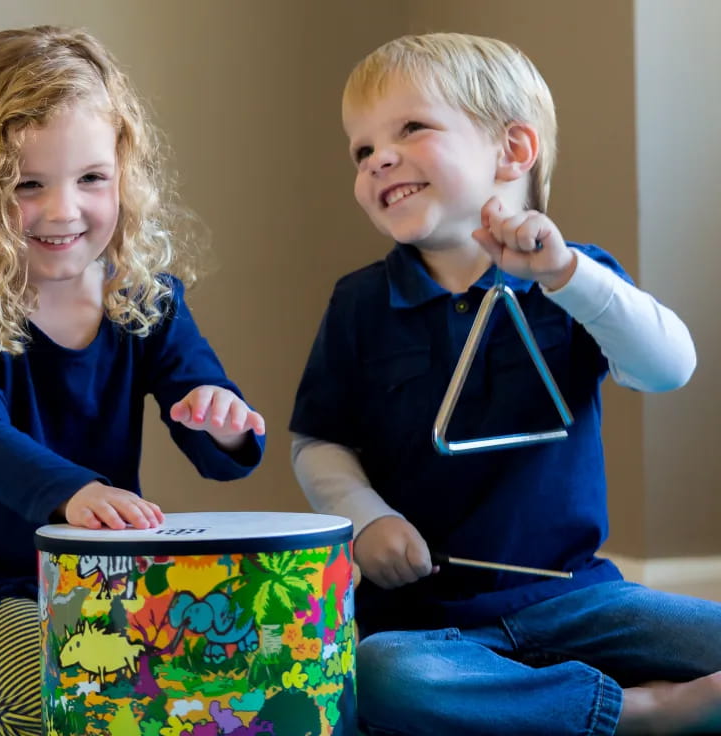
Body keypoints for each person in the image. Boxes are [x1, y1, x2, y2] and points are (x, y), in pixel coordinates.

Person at [290, 32, 721, 735]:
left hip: (580, 599)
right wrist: (367, 519)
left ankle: (542, 705)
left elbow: (668, 367)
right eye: (361, 150)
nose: (378, 160)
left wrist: (564, 277)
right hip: (432, 624)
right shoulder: (362, 303)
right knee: (380, 678)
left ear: (512, 151)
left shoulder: (577, 279)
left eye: (410, 128)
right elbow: (319, 441)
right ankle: (638, 712)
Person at [0, 25, 265, 736]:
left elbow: (207, 409)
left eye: (91, 179)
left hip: (104, 584)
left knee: (201, 695)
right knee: (65, 708)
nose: (64, 211)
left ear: (124, 173)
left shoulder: (145, 297)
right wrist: (72, 491)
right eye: (28, 185)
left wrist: (222, 416)